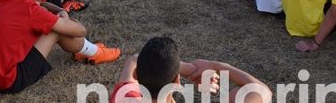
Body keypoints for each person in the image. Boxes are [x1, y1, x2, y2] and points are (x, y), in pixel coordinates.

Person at [110, 37, 271, 103]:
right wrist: (217, 66)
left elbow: (134, 59)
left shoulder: (123, 94)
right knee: (238, 94)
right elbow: (263, 91)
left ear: (136, 74)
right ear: (177, 81)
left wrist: (181, 68)